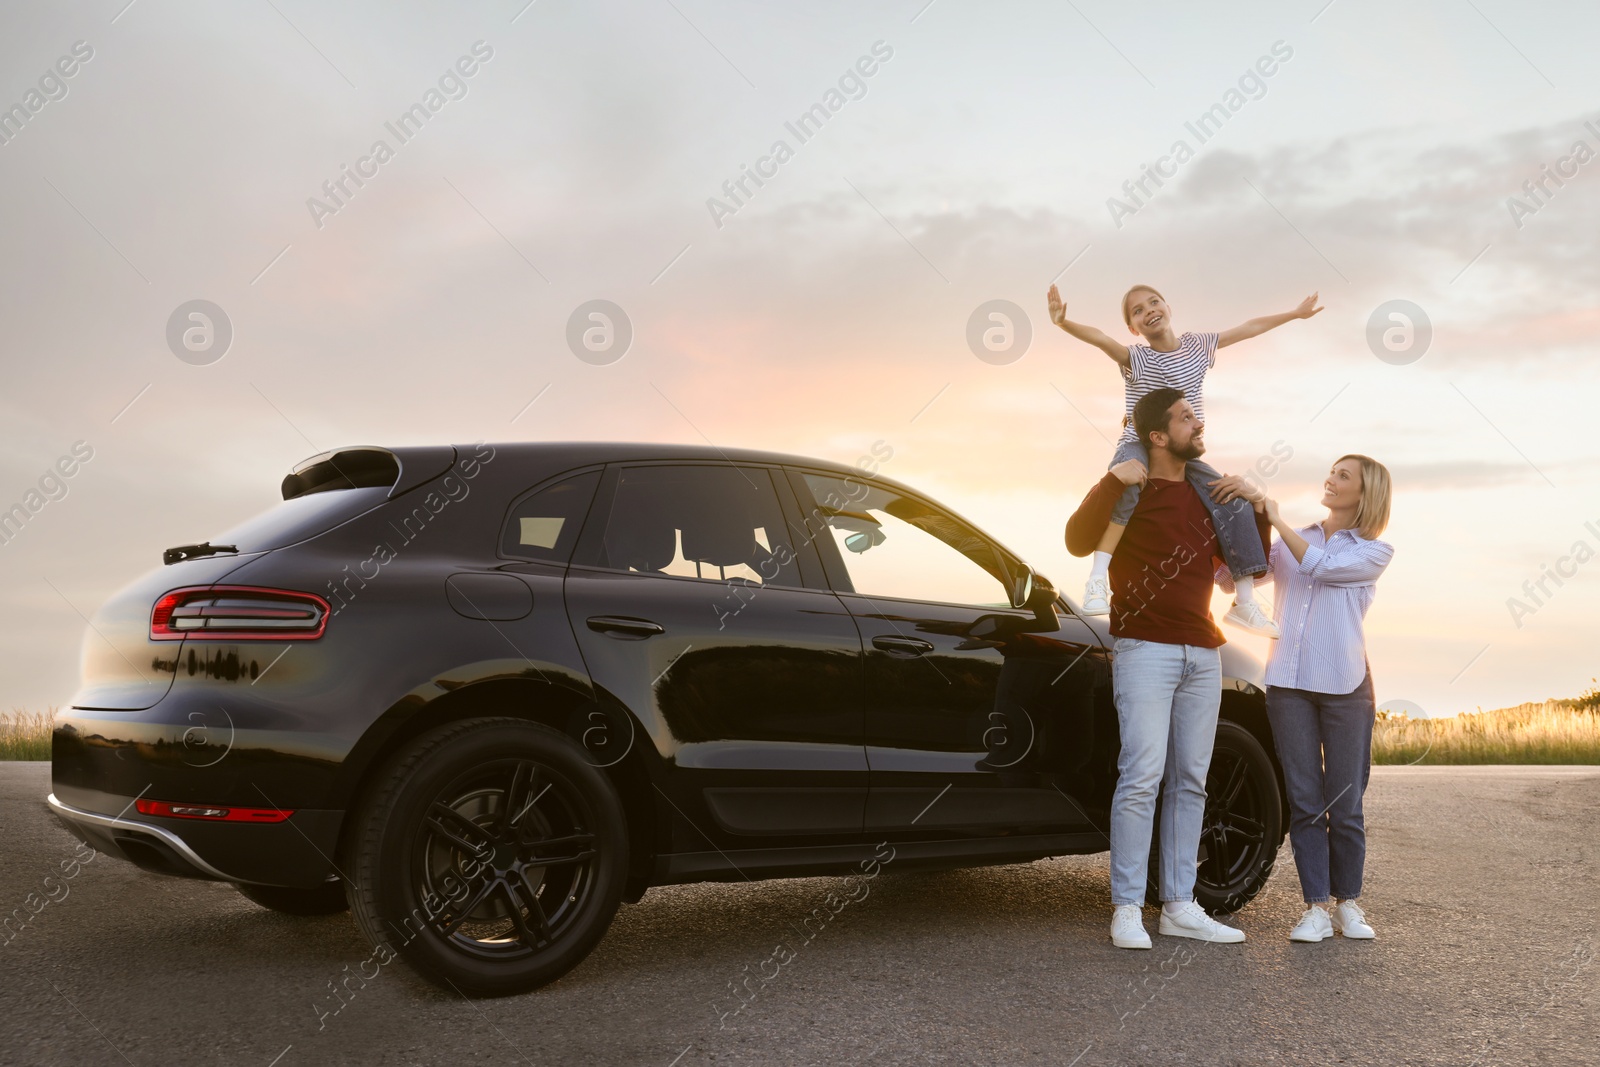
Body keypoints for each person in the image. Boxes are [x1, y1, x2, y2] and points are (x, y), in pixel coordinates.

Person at [1065, 386, 1269, 949]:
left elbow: (1245, 562)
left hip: (1204, 650)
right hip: (1144, 649)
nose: (1196, 423)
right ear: (1158, 435)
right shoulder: (1131, 485)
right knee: (1141, 777)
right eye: (1184, 418)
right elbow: (1076, 540)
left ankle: (1181, 904)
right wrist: (1113, 482)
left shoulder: (1208, 493)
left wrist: (1254, 506)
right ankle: (1127, 907)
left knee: (1191, 781)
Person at [1047, 282, 1322, 636]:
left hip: (1182, 450)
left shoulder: (1197, 346)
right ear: (1133, 328)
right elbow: (1101, 339)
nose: (1148, 311)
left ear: (1168, 307)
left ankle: (1245, 603)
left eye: (1153, 302)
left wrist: (1295, 314)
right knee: (1129, 490)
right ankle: (1097, 579)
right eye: (1137, 311)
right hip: (1137, 445)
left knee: (1230, 496)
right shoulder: (1137, 358)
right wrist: (1063, 324)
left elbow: (1248, 328)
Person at [1211, 454, 1395, 942]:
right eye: (1332, 472)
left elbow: (1321, 569)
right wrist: (1246, 519)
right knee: (1304, 800)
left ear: (1365, 493)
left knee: (1345, 800)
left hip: (1345, 686)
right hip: (1289, 682)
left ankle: (1347, 903)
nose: (1330, 481)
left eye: (1342, 476)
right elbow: (1230, 580)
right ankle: (1315, 906)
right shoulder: (1297, 537)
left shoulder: (1375, 551)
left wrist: (1273, 515)